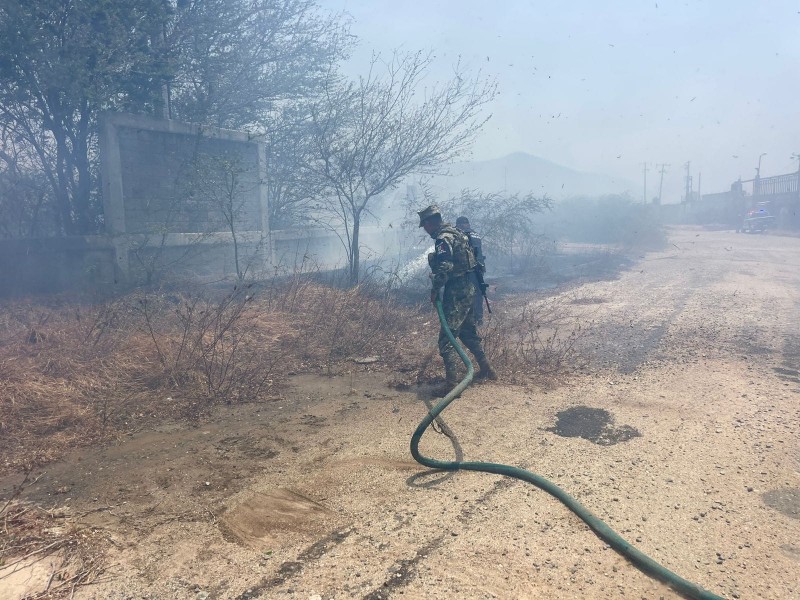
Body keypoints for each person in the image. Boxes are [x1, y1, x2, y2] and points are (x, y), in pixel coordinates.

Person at [417, 205, 497, 393]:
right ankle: (487, 369)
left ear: (430, 222)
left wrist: (435, 288)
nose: (425, 229)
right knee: (467, 333)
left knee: (446, 339)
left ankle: (451, 385)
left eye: (425, 225)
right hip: (468, 288)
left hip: (456, 292)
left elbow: (445, 266)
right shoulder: (457, 232)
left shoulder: (443, 238)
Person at [455, 216, 486, 325]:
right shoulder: (475, 234)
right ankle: (479, 318)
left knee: (465, 293)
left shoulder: (460, 235)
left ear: (459, 225)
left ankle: (468, 319)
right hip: (479, 268)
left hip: (468, 269)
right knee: (478, 293)